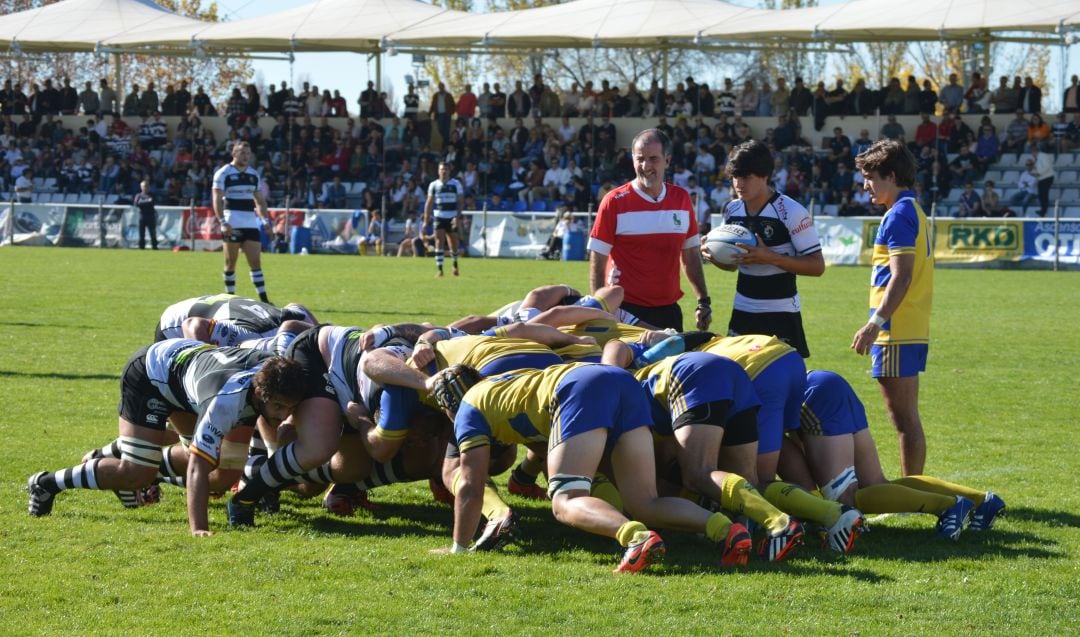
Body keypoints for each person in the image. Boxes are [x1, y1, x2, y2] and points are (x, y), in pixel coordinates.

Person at [429, 363, 763, 571]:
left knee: (565, 500)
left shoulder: (469, 410)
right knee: (644, 501)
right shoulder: (498, 386)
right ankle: (727, 530)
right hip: (616, 381)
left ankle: (636, 538)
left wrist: (459, 547)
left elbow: (472, 486)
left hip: (578, 390)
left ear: (449, 405)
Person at [26, 339, 304, 536]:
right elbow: (197, 465)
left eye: (289, 408)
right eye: (279, 407)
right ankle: (46, 483)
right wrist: (200, 529)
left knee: (222, 466)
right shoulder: (226, 402)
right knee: (137, 473)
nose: (284, 415)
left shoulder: (270, 374)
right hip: (150, 377)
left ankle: (128, 455)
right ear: (260, 394)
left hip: (185, 376)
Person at [789, 370, 1006, 541]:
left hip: (813, 397)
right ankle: (981, 500)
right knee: (875, 483)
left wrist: (810, 502)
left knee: (846, 499)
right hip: (823, 381)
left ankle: (949, 505)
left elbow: (778, 457)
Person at [853, 139, 934, 477]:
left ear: (890, 174)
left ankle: (911, 492)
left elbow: (901, 277)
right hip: (909, 325)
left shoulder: (898, 215)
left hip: (896, 330)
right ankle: (912, 489)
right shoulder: (912, 210)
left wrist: (875, 323)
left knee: (903, 420)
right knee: (906, 418)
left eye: (870, 177)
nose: (865, 185)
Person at [706, 140, 824, 358]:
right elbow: (732, 267)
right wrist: (715, 256)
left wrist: (770, 257)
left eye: (746, 177)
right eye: (735, 177)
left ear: (765, 175)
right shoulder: (732, 210)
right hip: (742, 309)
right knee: (738, 381)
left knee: (783, 383)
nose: (739, 184)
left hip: (781, 312)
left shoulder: (790, 211)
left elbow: (817, 266)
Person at [587, 128, 710, 332]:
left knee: (670, 364)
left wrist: (703, 301)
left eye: (653, 159)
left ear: (667, 161)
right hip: (626, 311)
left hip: (669, 310)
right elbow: (597, 259)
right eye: (640, 159)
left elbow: (690, 255)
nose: (646, 166)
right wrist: (600, 309)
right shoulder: (613, 202)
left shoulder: (682, 199)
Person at [212, 141, 272, 303]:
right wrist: (223, 222)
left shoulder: (253, 174)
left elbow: (260, 201)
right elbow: (216, 199)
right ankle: (230, 298)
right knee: (230, 263)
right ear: (234, 154)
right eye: (242, 153)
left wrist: (265, 220)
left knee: (256, 262)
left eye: (248, 153)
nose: (246, 156)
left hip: (250, 224)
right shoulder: (223, 173)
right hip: (232, 223)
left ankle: (264, 300)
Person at [423, 161, 464, 277]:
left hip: (452, 217)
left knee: (453, 243)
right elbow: (429, 203)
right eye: (442, 169)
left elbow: (461, 201)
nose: (444, 172)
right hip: (439, 216)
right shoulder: (434, 185)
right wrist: (425, 221)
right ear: (438, 171)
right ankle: (440, 270)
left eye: (446, 169)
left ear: (449, 171)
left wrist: (457, 216)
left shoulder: (455, 184)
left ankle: (455, 264)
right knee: (438, 241)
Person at [132, 179, 158, 250]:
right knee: (141, 234)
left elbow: (152, 202)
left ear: (149, 187)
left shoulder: (152, 194)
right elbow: (136, 204)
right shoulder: (138, 195)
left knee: (152, 233)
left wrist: (142, 202)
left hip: (151, 216)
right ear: (141, 187)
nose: (145, 188)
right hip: (142, 216)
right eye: (144, 186)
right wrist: (146, 201)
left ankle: (154, 247)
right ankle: (141, 247)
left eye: (146, 186)